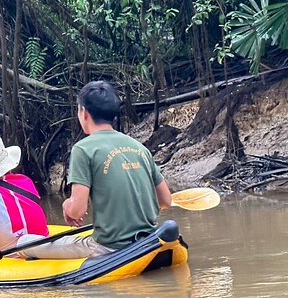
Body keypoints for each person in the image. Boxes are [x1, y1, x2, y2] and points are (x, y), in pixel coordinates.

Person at [17, 80, 172, 259]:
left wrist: (67, 206)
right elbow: (166, 200)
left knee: (24, 242)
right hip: (149, 238)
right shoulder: (139, 147)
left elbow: (77, 211)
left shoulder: (83, 149)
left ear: (84, 112)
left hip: (108, 248)